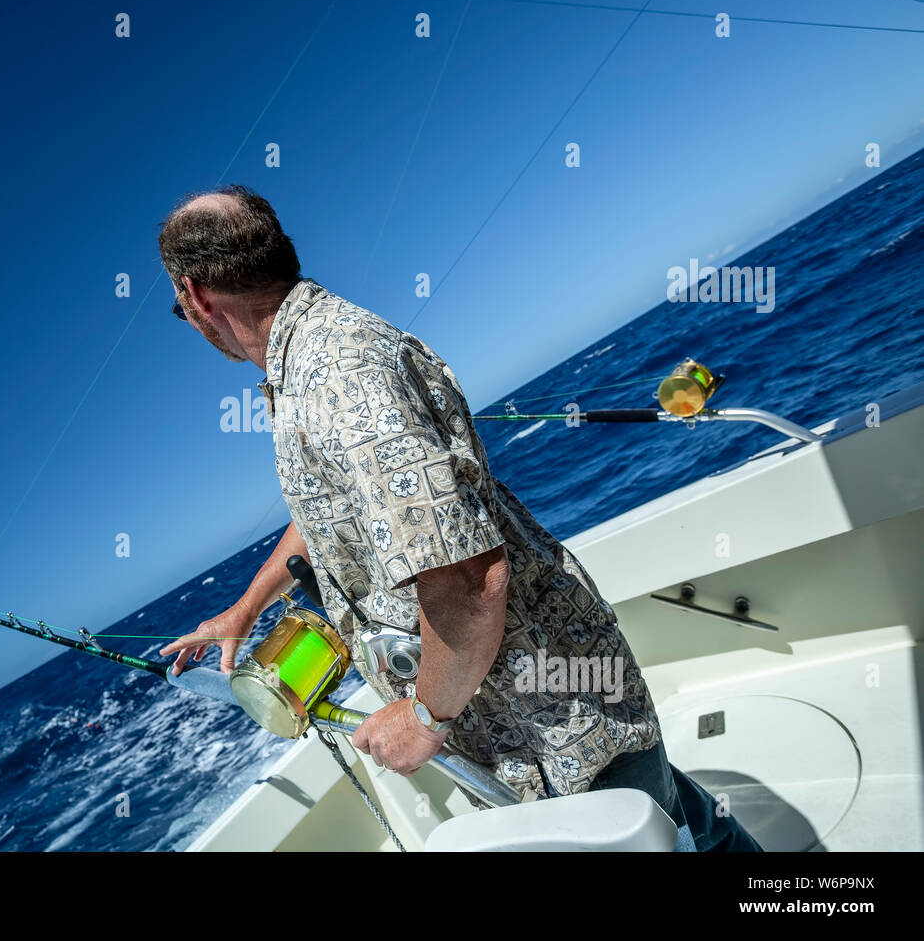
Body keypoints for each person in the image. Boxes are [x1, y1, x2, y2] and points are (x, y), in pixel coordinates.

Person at [156, 185, 762, 852]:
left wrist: (422, 715)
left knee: (656, 833)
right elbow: (329, 509)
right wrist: (244, 609)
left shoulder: (339, 375)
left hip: (545, 720)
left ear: (195, 296)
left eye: (179, 310)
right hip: (517, 709)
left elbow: (472, 581)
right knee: (684, 819)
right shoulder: (306, 367)